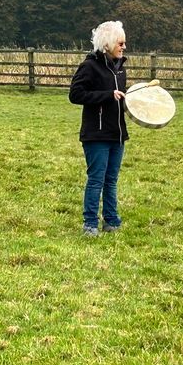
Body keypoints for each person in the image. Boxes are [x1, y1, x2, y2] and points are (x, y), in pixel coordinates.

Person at [69, 20, 129, 236]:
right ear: (108, 44)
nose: (124, 47)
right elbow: (75, 95)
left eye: (124, 43)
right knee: (96, 180)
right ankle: (90, 224)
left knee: (111, 180)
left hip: (117, 134)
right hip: (96, 135)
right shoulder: (89, 66)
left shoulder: (120, 69)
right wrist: (106, 96)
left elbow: (120, 100)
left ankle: (112, 221)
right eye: (120, 43)